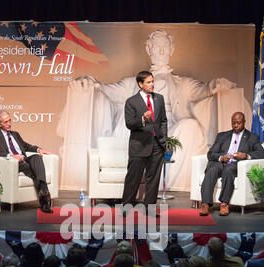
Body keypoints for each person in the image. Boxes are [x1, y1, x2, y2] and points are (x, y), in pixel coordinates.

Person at [59, 29, 249, 192]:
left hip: (170, 131)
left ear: (172, 50)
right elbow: (105, 89)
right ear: (148, 49)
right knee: (129, 123)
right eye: (156, 46)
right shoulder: (130, 83)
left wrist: (217, 84)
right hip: (140, 131)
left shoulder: (182, 83)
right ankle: (133, 184)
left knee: (190, 126)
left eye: (165, 46)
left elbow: (205, 89)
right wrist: (89, 81)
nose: (161, 50)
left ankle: (172, 188)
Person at [0, 110, 53, 213]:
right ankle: (45, 202)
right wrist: (12, 156)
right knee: (30, 168)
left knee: (36, 157)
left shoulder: (15, 134)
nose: (9, 124)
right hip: (12, 163)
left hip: (23, 159)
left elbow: (25, 146)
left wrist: (38, 150)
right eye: (5, 122)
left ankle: (43, 188)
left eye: (10, 120)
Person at [200, 111, 264, 216]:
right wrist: (221, 157)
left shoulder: (252, 137)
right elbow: (210, 153)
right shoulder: (222, 136)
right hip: (221, 163)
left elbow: (261, 153)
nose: (235, 125)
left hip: (235, 164)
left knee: (229, 170)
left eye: (238, 123)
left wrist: (246, 155)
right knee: (211, 169)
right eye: (233, 123)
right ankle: (205, 204)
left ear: (244, 122)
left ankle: (224, 204)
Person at [121, 70, 167, 216]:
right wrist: (142, 119)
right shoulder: (131, 101)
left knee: (153, 179)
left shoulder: (159, 99)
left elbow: (164, 120)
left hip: (157, 145)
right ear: (140, 84)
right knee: (133, 178)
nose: (152, 84)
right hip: (139, 145)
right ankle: (127, 207)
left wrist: (163, 139)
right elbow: (129, 124)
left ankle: (150, 209)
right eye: (148, 82)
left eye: (153, 81)